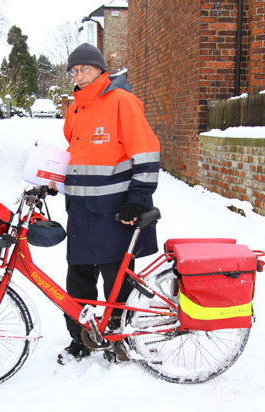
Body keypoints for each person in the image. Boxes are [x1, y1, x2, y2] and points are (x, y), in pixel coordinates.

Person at [55, 43, 161, 365]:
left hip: (115, 213)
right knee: (78, 279)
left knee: (118, 281)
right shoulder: (74, 110)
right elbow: (76, 158)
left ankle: (120, 338)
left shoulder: (122, 103)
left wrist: (138, 199)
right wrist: (51, 179)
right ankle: (83, 338)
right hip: (80, 212)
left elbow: (145, 153)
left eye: (85, 69)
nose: (79, 76)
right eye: (74, 71)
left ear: (101, 69)